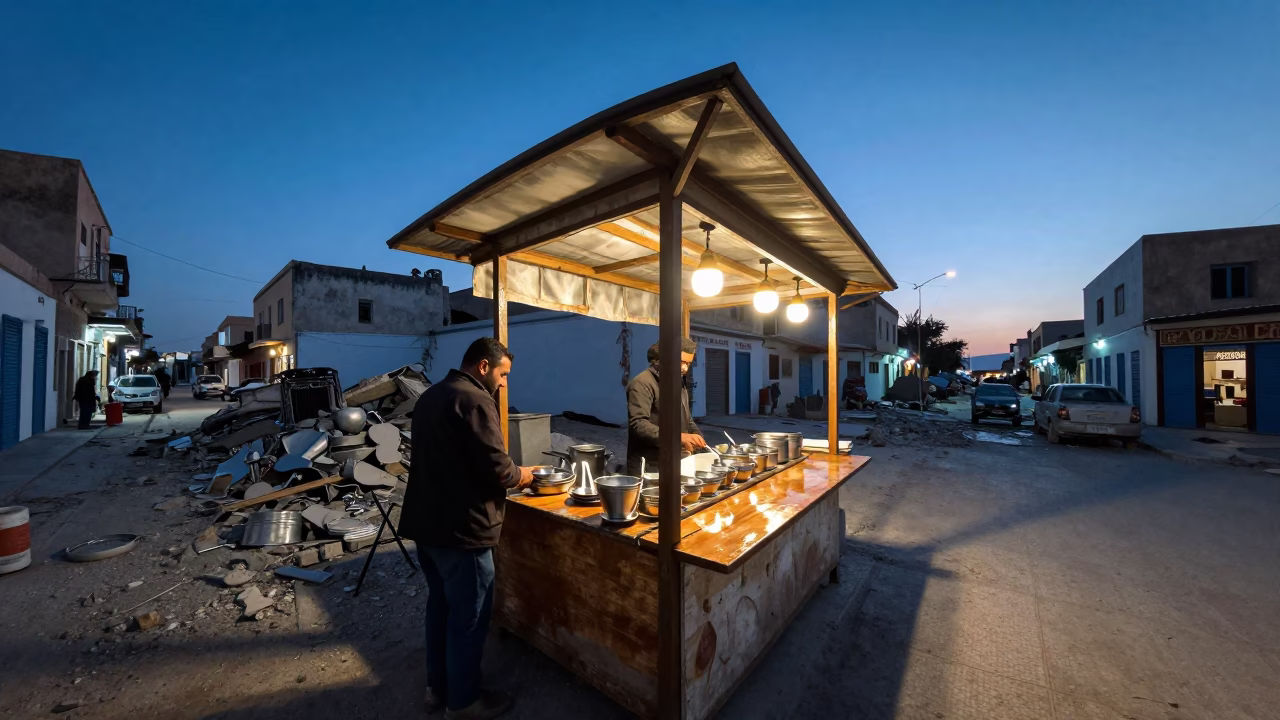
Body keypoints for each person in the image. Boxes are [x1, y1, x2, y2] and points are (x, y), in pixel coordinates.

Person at [399, 337, 534, 720]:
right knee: (469, 618)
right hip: (463, 532)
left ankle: (436, 689)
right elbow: (499, 470)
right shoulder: (475, 400)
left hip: (427, 526)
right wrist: (525, 474)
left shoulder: (432, 395)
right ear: (483, 367)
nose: (504, 383)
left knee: (440, 608)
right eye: (503, 374)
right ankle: (463, 703)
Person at [625, 338, 706, 476]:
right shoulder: (642, 383)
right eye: (682, 361)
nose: (685, 368)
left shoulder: (678, 382)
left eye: (688, 363)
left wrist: (696, 435)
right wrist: (678, 437)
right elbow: (638, 424)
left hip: (675, 461)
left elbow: (687, 417)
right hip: (649, 466)